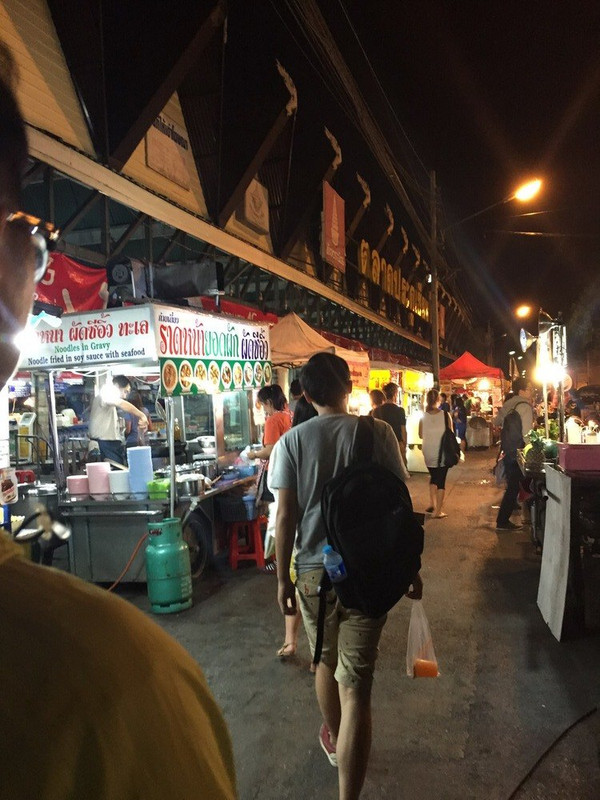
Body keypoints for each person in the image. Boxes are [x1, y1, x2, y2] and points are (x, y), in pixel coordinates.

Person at [0, 42, 236, 799]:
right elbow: (126, 409)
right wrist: (140, 420)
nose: (34, 255)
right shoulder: (111, 685)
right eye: (26, 229)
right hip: (84, 498)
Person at [270, 353, 422, 800]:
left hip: (313, 574)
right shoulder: (377, 432)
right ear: (348, 387)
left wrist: (282, 581)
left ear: (305, 393)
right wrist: (411, 567)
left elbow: (285, 517)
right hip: (370, 572)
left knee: (323, 660)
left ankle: (338, 741)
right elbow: (400, 505)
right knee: (356, 689)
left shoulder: (292, 442)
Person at [268, 395, 318, 663]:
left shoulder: (287, 444)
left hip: (294, 534)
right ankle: (316, 654)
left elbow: (279, 499)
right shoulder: (320, 443)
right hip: (315, 534)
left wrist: (281, 582)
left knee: (294, 586)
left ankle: (291, 642)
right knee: (309, 592)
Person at [247, 384, 292, 571]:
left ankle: (277, 561)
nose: (264, 409)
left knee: (275, 518)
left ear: (269, 402)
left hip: (274, 472)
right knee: (285, 514)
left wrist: (254, 454)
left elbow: (270, 450)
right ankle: (284, 559)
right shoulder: (289, 415)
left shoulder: (273, 420)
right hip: (289, 471)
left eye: (263, 405)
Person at [493, 376, 535, 531]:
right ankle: (502, 520)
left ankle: (511, 511)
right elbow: (527, 434)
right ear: (521, 391)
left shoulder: (509, 403)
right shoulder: (525, 406)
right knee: (514, 486)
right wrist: (533, 448)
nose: (531, 391)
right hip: (519, 450)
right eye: (529, 388)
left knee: (513, 483)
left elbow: (496, 422)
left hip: (508, 448)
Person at [88, 375, 148, 464]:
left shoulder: (108, 402)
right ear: (116, 386)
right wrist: (141, 415)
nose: (125, 396)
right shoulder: (106, 393)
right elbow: (122, 403)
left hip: (109, 444)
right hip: (104, 444)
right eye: (125, 391)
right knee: (114, 472)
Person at [419, 388, 452, 518]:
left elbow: (420, 434)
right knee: (441, 480)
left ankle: (432, 504)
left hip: (427, 451)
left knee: (433, 477)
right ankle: (438, 511)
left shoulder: (423, 417)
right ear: (439, 400)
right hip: (442, 452)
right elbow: (451, 433)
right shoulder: (445, 415)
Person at [371, 381, 408, 467]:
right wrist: (404, 445)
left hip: (382, 445)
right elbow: (403, 430)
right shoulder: (400, 411)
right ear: (395, 394)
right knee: (399, 469)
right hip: (397, 443)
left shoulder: (376, 411)